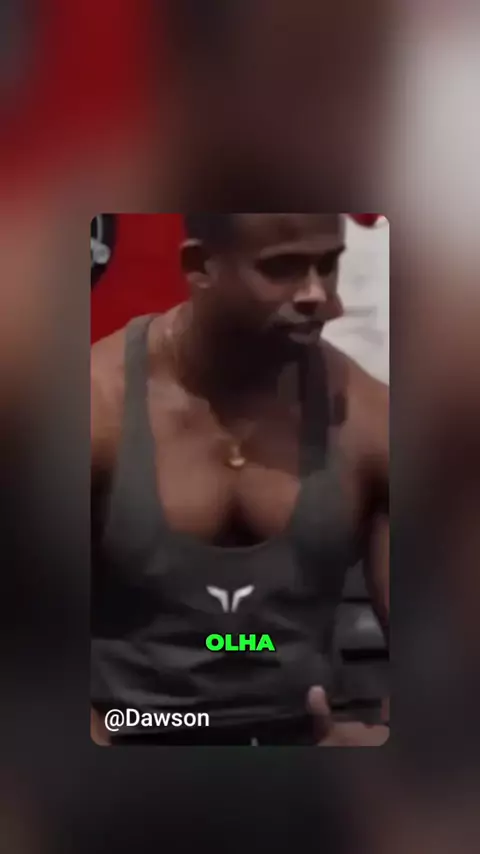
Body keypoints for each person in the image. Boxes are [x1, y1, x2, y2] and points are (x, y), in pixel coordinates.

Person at [91, 213, 389, 745]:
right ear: (200, 266)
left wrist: (386, 743)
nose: (319, 296)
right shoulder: (96, 411)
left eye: (328, 265)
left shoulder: (367, 419)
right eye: (283, 268)